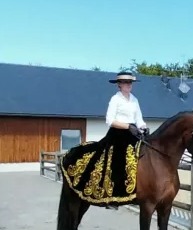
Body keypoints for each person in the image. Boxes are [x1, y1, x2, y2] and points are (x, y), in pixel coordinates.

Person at [60, 71, 148, 207]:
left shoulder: (135, 100)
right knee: (117, 160)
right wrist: (127, 126)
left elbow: (139, 119)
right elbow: (110, 120)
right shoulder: (115, 99)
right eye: (125, 82)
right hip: (118, 134)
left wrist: (143, 127)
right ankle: (113, 196)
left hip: (133, 133)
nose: (128, 85)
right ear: (119, 84)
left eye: (130, 82)